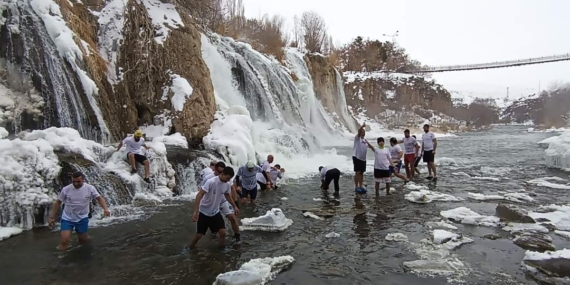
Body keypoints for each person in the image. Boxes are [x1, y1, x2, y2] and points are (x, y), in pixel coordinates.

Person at [48, 172, 110, 250]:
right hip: (67, 218)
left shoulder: (90, 188)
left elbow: (99, 198)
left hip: (82, 218)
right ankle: (60, 257)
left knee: (83, 240)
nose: (76, 183)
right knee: (64, 241)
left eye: (78, 181)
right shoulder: (66, 189)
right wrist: (52, 217)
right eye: (73, 181)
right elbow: (58, 202)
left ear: (83, 180)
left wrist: (105, 209)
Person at [189, 166, 239, 249]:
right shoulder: (211, 181)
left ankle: (221, 249)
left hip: (215, 212)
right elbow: (199, 195)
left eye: (230, 179)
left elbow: (227, 195)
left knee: (223, 233)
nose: (228, 180)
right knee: (199, 235)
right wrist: (196, 211)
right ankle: (189, 248)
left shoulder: (227, 184)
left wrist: (235, 206)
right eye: (227, 178)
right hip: (204, 212)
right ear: (222, 174)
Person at [201, 162, 241, 243]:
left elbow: (231, 190)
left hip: (223, 201)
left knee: (232, 218)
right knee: (214, 227)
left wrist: (235, 204)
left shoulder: (227, 178)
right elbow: (202, 193)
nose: (220, 174)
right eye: (219, 172)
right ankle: (214, 236)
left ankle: (237, 236)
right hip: (212, 203)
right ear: (214, 169)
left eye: (222, 172)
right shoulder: (208, 179)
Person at [353, 122, 368, 192]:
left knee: (361, 172)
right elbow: (359, 132)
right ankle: (356, 186)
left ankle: (361, 185)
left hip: (363, 159)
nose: (363, 133)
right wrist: (362, 126)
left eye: (364, 132)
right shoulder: (357, 138)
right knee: (357, 172)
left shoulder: (364, 140)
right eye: (362, 132)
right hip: (357, 157)